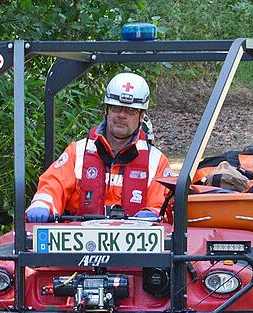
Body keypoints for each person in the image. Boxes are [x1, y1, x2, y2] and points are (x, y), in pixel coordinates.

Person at [26, 72, 172, 223]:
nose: (121, 115)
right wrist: (43, 204)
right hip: (81, 241)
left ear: (141, 116)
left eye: (130, 110)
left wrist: (153, 213)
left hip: (136, 241)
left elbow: (163, 204)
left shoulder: (156, 162)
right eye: (116, 108)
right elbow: (53, 185)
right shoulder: (77, 153)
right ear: (107, 110)